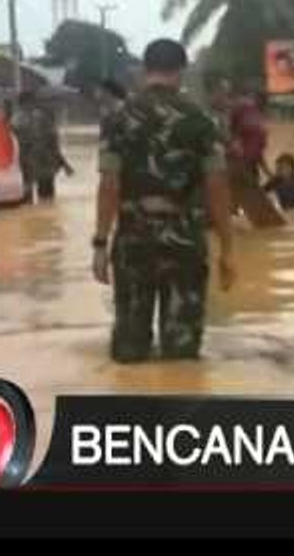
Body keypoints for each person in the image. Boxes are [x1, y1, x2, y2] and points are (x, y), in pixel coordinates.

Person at [91, 38, 236, 363]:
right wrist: (227, 250)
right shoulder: (201, 120)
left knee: (129, 354)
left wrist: (100, 244)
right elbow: (217, 187)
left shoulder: (118, 119)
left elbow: (109, 185)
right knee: (182, 356)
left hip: (133, 243)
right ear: (181, 70)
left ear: (145, 69)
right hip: (185, 243)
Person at [11, 90, 75, 203]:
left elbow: (11, 148)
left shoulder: (13, 121)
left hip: (24, 167)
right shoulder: (42, 118)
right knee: (47, 200)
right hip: (44, 166)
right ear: (30, 102)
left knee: (26, 202)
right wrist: (65, 164)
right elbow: (53, 144)